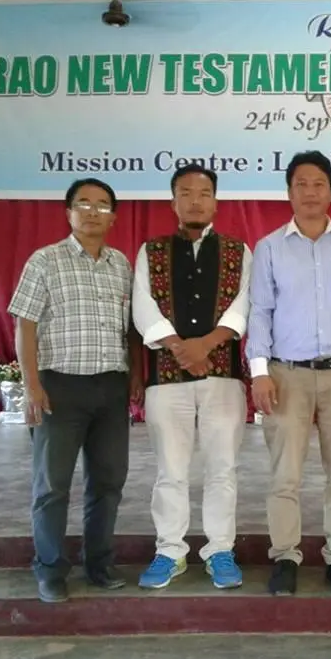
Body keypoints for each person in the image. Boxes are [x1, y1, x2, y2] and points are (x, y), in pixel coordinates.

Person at [8, 177, 143, 604]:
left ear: (113, 217)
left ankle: (99, 564)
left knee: (108, 481)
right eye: (83, 203)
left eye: (102, 205)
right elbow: (25, 325)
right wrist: (32, 385)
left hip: (111, 388)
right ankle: (50, 569)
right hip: (59, 388)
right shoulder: (45, 261)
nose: (92, 211)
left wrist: (135, 374)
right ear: (68, 212)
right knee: (52, 485)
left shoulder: (121, 265)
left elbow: (132, 329)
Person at [247, 150, 331, 597]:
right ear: (289, 192)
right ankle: (285, 557)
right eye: (302, 184)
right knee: (285, 474)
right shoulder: (270, 247)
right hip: (286, 375)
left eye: (319, 184)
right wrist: (259, 372)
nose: (311, 192)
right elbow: (260, 311)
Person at [132, 164, 252, 591]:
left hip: (223, 378)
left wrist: (207, 344)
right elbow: (143, 306)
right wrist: (179, 347)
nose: (195, 201)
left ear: (216, 202)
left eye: (203, 193)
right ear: (173, 202)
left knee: (222, 468)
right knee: (171, 470)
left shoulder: (239, 251)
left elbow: (244, 304)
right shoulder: (151, 251)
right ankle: (170, 551)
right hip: (167, 378)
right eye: (186, 193)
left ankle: (220, 549)